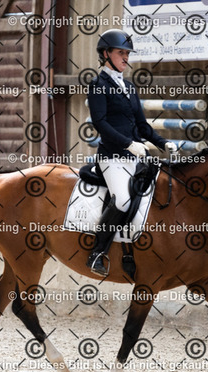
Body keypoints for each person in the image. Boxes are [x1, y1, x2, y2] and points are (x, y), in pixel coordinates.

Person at [86, 29, 177, 277]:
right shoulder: (97, 85)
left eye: (127, 53)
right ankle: (97, 253)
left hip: (135, 157)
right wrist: (128, 144)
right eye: (121, 53)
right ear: (106, 54)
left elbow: (142, 126)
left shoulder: (127, 86)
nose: (126, 57)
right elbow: (101, 124)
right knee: (123, 201)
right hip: (112, 158)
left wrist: (162, 143)